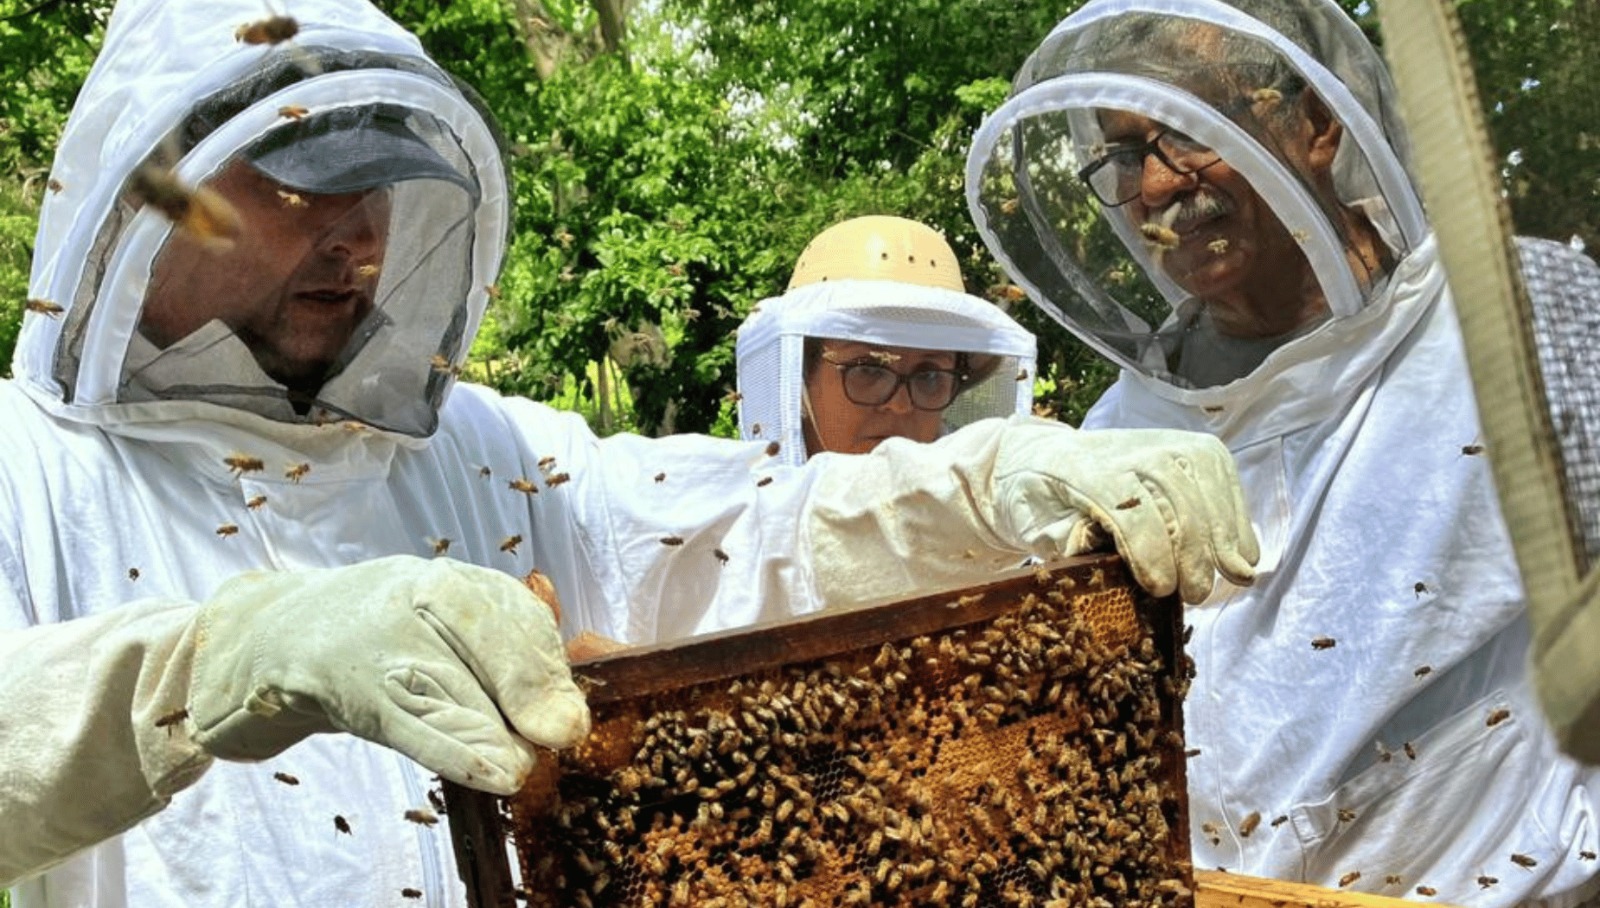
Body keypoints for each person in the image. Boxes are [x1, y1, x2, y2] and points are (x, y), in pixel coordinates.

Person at [0, 0, 1262, 904]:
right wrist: (217, 662)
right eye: (298, 193)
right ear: (156, 198)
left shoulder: (476, 447)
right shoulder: (28, 466)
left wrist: (982, 488)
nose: (357, 243)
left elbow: (747, 530)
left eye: (375, 193)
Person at [965, 0, 1600, 904]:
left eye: (1187, 129)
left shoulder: (1525, 319)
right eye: (1123, 154)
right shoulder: (1119, 433)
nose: (1155, 186)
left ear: (1315, 123)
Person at [735, 215, 1038, 464]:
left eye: (930, 376)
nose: (901, 405)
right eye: (868, 369)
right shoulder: (729, 523)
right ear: (800, 381)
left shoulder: (973, 524)